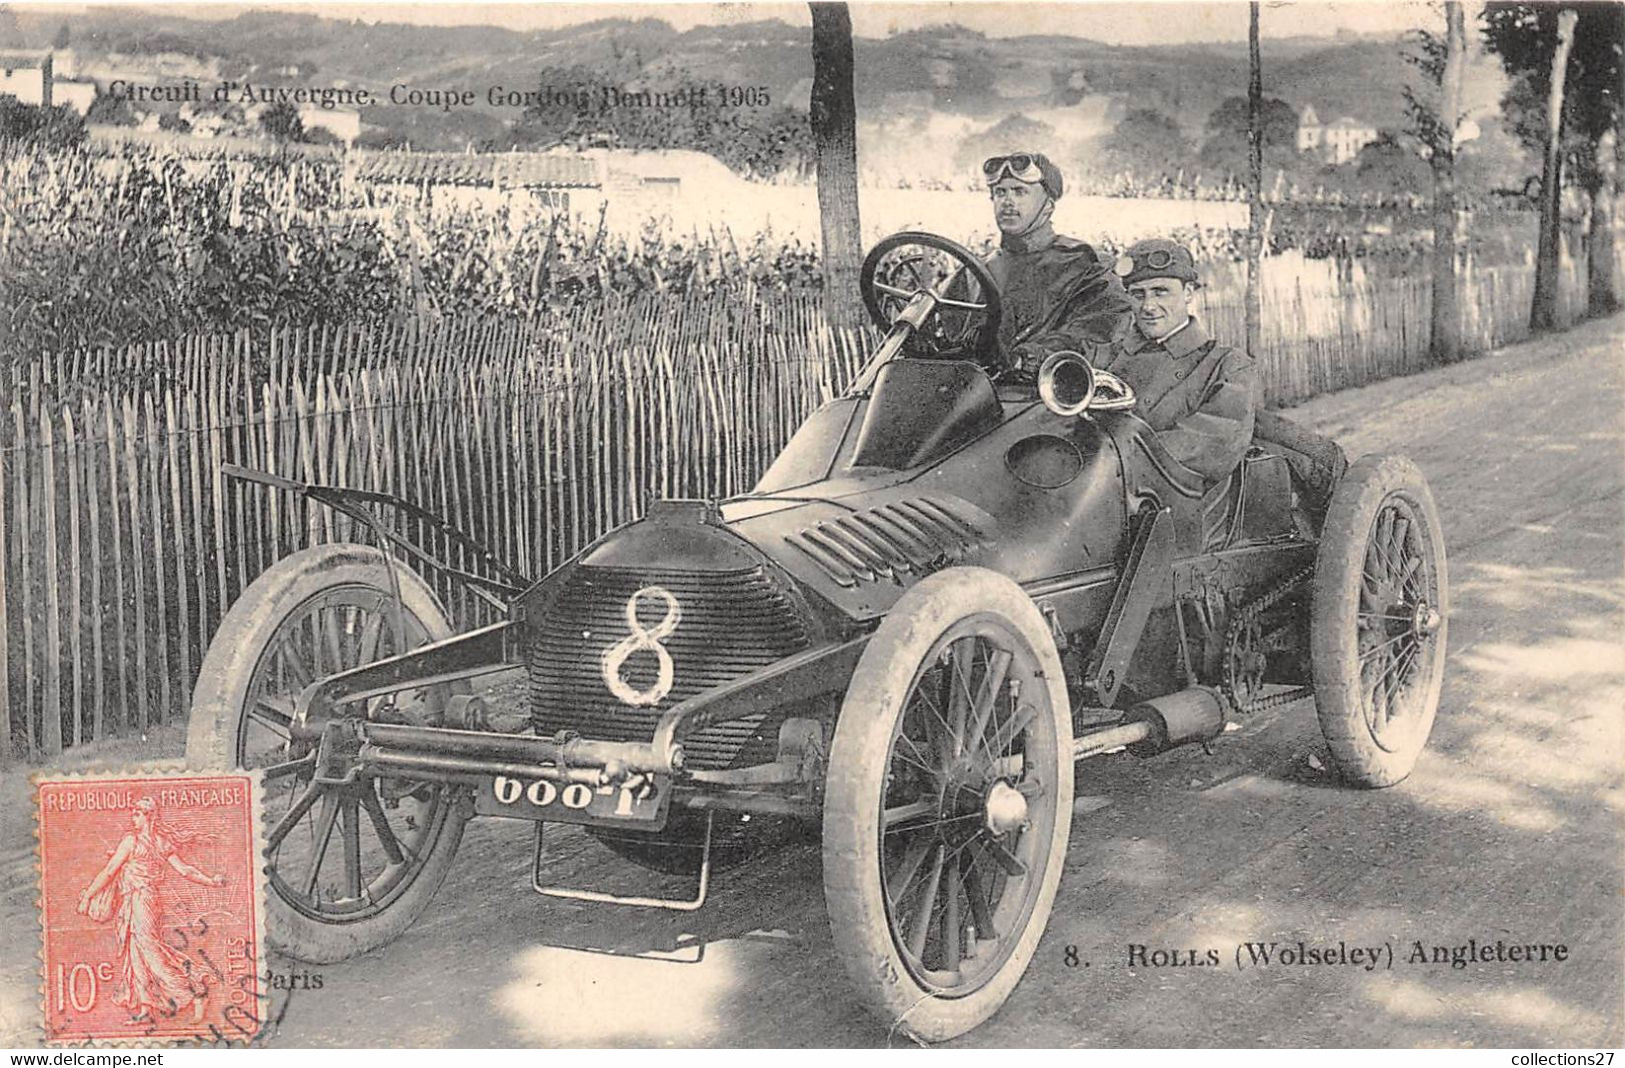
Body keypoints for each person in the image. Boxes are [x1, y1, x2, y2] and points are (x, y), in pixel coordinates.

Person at [1097, 238, 1256, 486]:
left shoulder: (1228, 365)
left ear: (1189, 293)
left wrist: (1112, 456)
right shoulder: (1105, 357)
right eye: (1138, 294)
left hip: (1176, 506)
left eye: (1161, 292)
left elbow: (1215, 442)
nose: (1149, 306)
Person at [979, 152, 1134, 378]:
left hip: (1042, 394)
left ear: (1048, 206)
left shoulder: (1085, 266)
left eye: (1020, 192)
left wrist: (1035, 357)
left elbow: (1099, 333)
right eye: (1000, 192)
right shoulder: (978, 269)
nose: (1008, 202)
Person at [77, 798, 227, 1024]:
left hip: (143, 900)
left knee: (150, 950)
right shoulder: (159, 842)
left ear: (149, 816)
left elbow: (109, 871)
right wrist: (212, 881)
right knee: (135, 951)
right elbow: (185, 870)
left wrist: (88, 896)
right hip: (138, 901)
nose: (133, 818)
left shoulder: (133, 841)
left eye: (137, 814)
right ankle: (147, 1007)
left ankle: (196, 992)